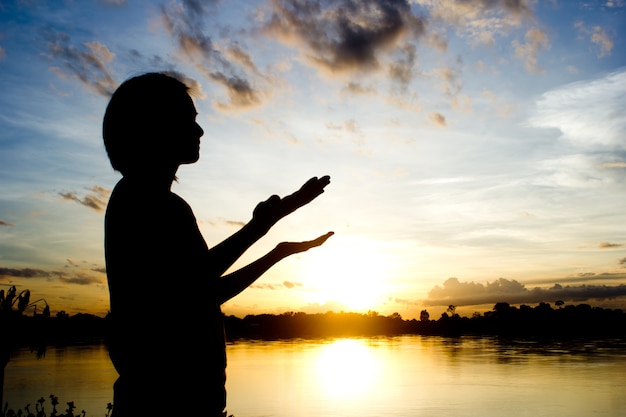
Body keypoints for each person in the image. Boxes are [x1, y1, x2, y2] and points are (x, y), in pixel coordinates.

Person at [102, 72, 332, 417]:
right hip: (166, 407)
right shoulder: (149, 202)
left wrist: (274, 243)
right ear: (153, 126)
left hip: (183, 403)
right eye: (188, 120)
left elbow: (201, 292)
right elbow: (200, 286)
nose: (199, 131)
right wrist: (263, 227)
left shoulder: (146, 199)